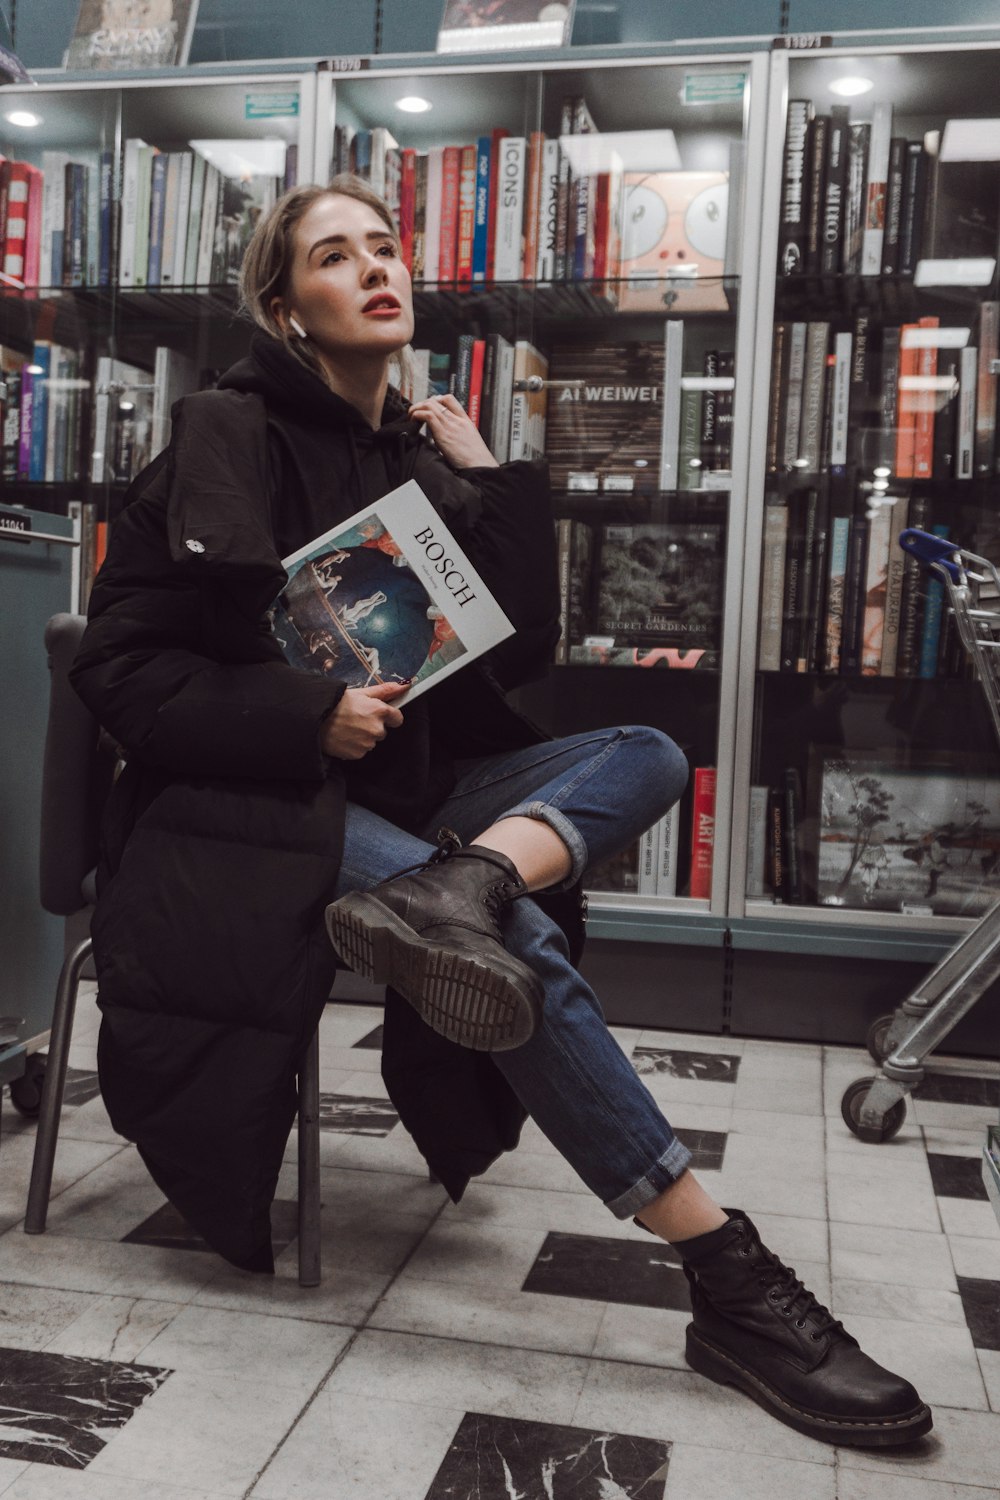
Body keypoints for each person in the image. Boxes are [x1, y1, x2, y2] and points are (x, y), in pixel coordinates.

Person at [71, 175, 931, 1451]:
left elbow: (514, 648)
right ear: (283, 304)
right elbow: (124, 673)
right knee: (508, 947)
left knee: (643, 746)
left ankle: (458, 884)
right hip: (258, 804)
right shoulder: (223, 432)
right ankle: (726, 1278)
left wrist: (488, 475)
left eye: (384, 246)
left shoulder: (409, 454)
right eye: (334, 256)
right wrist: (305, 717)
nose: (376, 268)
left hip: (411, 798)